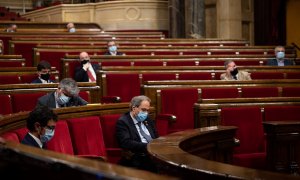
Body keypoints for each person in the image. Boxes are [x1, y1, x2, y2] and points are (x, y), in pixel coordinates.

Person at [116, 95, 159, 172]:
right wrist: (148, 146)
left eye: (147, 110)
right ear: (134, 108)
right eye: (143, 110)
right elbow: (126, 142)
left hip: (153, 154)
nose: (146, 113)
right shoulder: (123, 122)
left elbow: (156, 136)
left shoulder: (148, 119)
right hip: (137, 156)